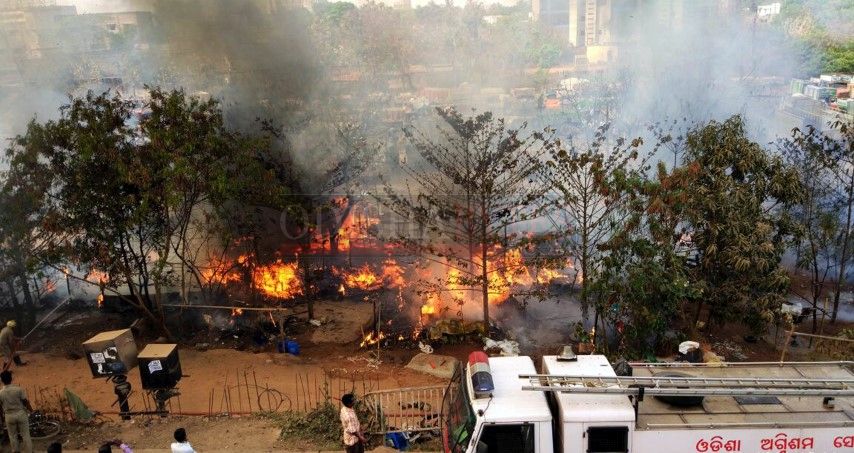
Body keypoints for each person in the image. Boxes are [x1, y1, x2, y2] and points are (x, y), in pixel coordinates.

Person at [0, 370, 32, 453]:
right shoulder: (18, 389)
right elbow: (25, 401)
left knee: (12, 436)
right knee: (25, 435)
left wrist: (2, 417)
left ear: (2, 380)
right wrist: (31, 410)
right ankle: (29, 451)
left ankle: (16, 451)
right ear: (11, 378)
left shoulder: (1, 393)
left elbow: (0, 407)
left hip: (9, 416)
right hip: (20, 413)